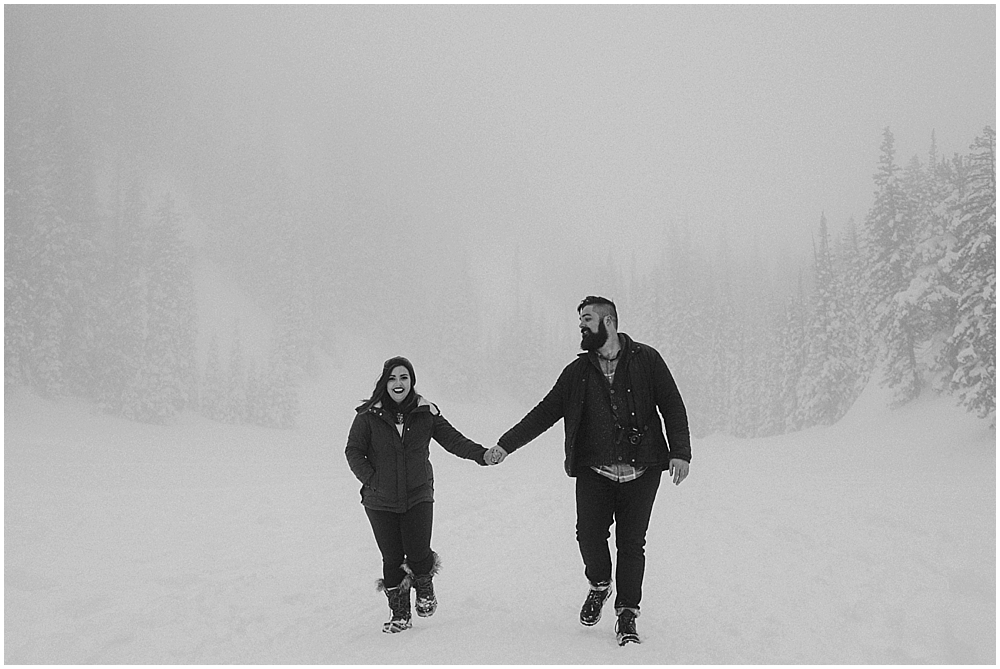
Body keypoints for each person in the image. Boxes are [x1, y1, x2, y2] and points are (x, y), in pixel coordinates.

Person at [484, 296, 691, 646]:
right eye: (580, 319)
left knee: (631, 543)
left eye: (588, 318)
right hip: (595, 471)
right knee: (588, 536)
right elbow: (544, 412)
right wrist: (505, 445)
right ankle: (599, 583)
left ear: (609, 322)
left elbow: (672, 404)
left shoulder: (647, 360)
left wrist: (681, 452)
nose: (581, 325)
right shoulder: (576, 373)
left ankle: (627, 614)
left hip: (643, 470)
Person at [346, 356, 492, 633]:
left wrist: (481, 455)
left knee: (418, 551)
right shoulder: (368, 415)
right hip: (379, 500)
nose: (398, 383)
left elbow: (453, 440)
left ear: (412, 381)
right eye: (392, 378)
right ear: (384, 382)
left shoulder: (426, 413)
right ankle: (399, 613)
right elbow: (353, 450)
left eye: (404, 377)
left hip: (418, 494)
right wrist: (372, 479)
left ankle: (424, 584)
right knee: (391, 557)